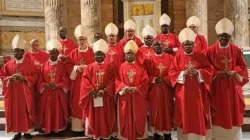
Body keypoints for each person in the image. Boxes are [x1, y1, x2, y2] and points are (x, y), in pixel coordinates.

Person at [206, 18, 249, 140]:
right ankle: (216, 136)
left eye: (226, 36)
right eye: (221, 36)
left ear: (230, 37)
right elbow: (205, 68)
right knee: (218, 111)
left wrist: (234, 72)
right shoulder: (210, 51)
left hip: (232, 87)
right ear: (218, 36)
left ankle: (233, 137)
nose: (223, 39)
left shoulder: (235, 50)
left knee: (233, 110)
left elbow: (242, 66)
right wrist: (216, 74)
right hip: (217, 87)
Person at [168, 28, 214, 140]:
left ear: (194, 45)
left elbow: (210, 69)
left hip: (198, 93)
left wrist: (198, 72)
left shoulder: (200, 56)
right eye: (185, 45)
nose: (188, 47)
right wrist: (183, 73)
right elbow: (171, 72)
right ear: (182, 46)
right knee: (184, 115)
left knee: (197, 115)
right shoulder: (177, 57)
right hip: (183, 94)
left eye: (190, 44)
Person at [0, 35, 37, 140]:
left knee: (26, 111)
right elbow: (2, 76)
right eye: (14, 51)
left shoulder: (30, 64)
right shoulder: (8, 65)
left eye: (18, 51)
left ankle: (27, 132)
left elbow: (35, 76)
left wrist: (24, 78)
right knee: (14, 112)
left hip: (25, 94)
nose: (16, 53)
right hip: (13, 94)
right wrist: (9, 78)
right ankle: (17, 133)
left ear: (23, 52)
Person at [80, 39, 116, 139]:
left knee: (105, 115)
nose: (99, 56)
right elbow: (84, 80)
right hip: (93, 96)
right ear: (94, 55)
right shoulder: (89, 67)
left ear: (105, 55)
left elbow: (112, 81)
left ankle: (105, 134)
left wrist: (103, 90)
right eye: (97, 54)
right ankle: (95, 133)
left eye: (101, 54)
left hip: (105, 96)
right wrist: (91, 90)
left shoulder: (109, 67)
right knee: (93, 115)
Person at [116, 40, 149, 140]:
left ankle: (139, 135)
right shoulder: (120, 67)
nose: (129, 56)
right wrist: (124, 88)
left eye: (131, 53)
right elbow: (116, 80)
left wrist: (136, 89)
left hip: (137, 96)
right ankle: (124, 136)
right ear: (125, 55)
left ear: (135, 55)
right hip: (124, 96)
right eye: (127, 54)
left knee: (138, 117)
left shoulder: (141, 67)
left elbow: (145, 81)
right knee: (124, 116)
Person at [66, 24, 95, 135]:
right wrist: (76, 68)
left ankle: (89, 127)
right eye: (79, 39)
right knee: (76, 102)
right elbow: (68, 66)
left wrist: (87, 68)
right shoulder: (73, 53)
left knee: (88, 103)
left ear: (86, 39)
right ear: (77, 40)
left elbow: (96, 66)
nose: (81, 41)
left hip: (89, 84)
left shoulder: (92, 52)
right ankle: (78, 128)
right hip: (77, 83)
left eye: (83, 39)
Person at [37, 39, 69, 136]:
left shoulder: (62, 66)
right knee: (47, 111)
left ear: (58, 54)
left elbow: (65, 79)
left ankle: (58, 129)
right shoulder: (43, 66)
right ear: (49, 54)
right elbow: (40, 79)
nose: (53, 55)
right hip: (47, 92)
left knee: (58, 111)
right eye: (51, 53)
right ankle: (48, 129)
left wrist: (58, 85)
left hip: (58, 93)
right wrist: (45, 85)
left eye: (55, 53)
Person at [144, 40, 174, 140]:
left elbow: (174, 71)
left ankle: (167, 133)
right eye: (155, 46)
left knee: (167, 109)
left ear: (163, 46)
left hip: (166, 88)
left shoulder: (170, 58)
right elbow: (144, 74)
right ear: (152, 47)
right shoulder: (148, 60)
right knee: (154, 110)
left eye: (159, 45)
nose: (157, 47)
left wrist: (165, 79)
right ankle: (156, 133)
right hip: (154, 89)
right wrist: (153, 79)